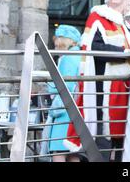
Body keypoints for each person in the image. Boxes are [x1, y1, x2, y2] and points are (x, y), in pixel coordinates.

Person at [64, 0, 130, 162]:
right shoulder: (98, 18)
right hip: (104, 89)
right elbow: (93, 48)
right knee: (105, 135)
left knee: (124, 134)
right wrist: (127, 54)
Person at [47, 25, 82, 162]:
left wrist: (49, 85)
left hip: (64, 111)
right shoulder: (79, 55)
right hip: (75, 108)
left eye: (58, 40)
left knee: (58, 151)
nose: (56, 44)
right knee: (73, 152)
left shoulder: (68, 58)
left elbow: (63, 86)